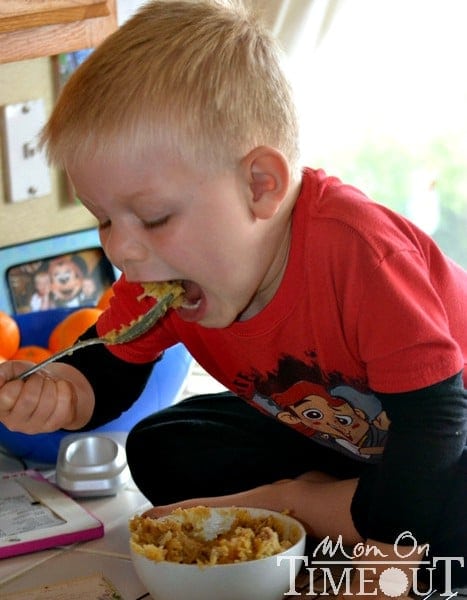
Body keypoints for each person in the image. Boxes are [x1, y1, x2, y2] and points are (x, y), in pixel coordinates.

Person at [1, 1, 466, 596]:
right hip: (341, 442)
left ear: (260, 186)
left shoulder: (360, 255)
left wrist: (386, 562)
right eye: (103, 220)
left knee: (445, 506)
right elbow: (111, 364)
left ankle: (306, 508)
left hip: (445, 432)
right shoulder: (164, 280)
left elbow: (435, 426)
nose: (123, 249)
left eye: (152, 217)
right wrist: (64, 393)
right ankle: (326, 509)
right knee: (159, 448)